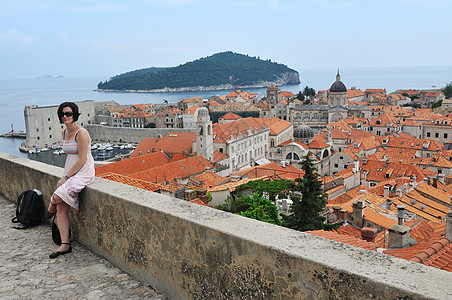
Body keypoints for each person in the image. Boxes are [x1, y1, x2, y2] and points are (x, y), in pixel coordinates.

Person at [46, 102, 95, 258]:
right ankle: (65, 244)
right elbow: (70, 157)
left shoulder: (81, 133)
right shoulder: (63, 133)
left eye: (68, 113)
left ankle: (50, 204)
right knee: (62, 208)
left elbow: (82, 160)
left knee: (58, 196)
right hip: (70, 169)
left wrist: (65, 177)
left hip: (83, 171)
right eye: (62, 114)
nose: (65, 116)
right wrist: (67, 173)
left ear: (75, 114)